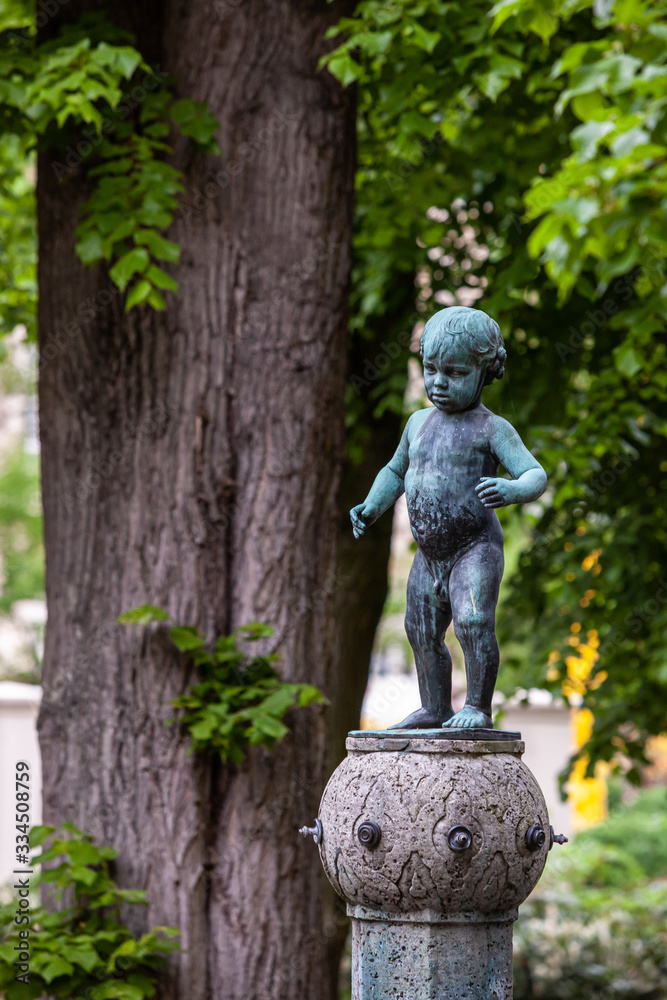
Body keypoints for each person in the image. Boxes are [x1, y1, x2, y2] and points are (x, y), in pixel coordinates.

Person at [350, 306, 547, 729]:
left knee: (473, 621)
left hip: (474, 547)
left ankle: (477, 707)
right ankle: (435, 707)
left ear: (485, 372)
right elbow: (395, 472)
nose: (439, 382)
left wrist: (511, 490)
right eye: (431, 370)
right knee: (420, 629)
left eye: (455, 373)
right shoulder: (417, 423)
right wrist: (372, 506)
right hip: (428, 554)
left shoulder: (492, 428)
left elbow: (535, 474)